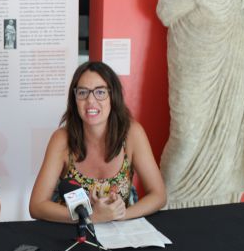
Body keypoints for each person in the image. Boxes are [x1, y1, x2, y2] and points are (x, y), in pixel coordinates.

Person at [29, 61, 166, 223]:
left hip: (121, 231)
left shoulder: (132, 134)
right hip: (72, 231)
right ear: (75, 99)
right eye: (83, 93)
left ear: (113, 96)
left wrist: (119, 216)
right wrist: (91, 217)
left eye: (100, 92)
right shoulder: (61, 139)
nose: (90, 101)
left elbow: (159, 195)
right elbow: (36, 206)